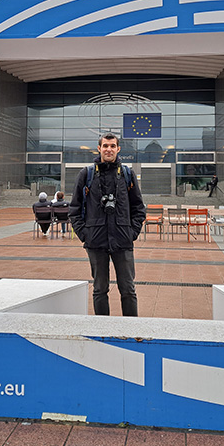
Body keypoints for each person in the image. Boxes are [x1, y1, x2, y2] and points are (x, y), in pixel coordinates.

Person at [69, 133, 146, 316]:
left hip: (122, 240)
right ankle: (102, 330)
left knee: (128, 289)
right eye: (105, 146)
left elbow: (138, 207)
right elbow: (74, 208)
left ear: (118, 149)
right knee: (100, 289)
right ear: (99, 148)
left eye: (112, 146)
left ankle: (131, 330)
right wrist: (84, 234)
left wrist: (131, 232)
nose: (109, 149)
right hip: (96, 241)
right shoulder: (86, 174)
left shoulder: (127, 174)